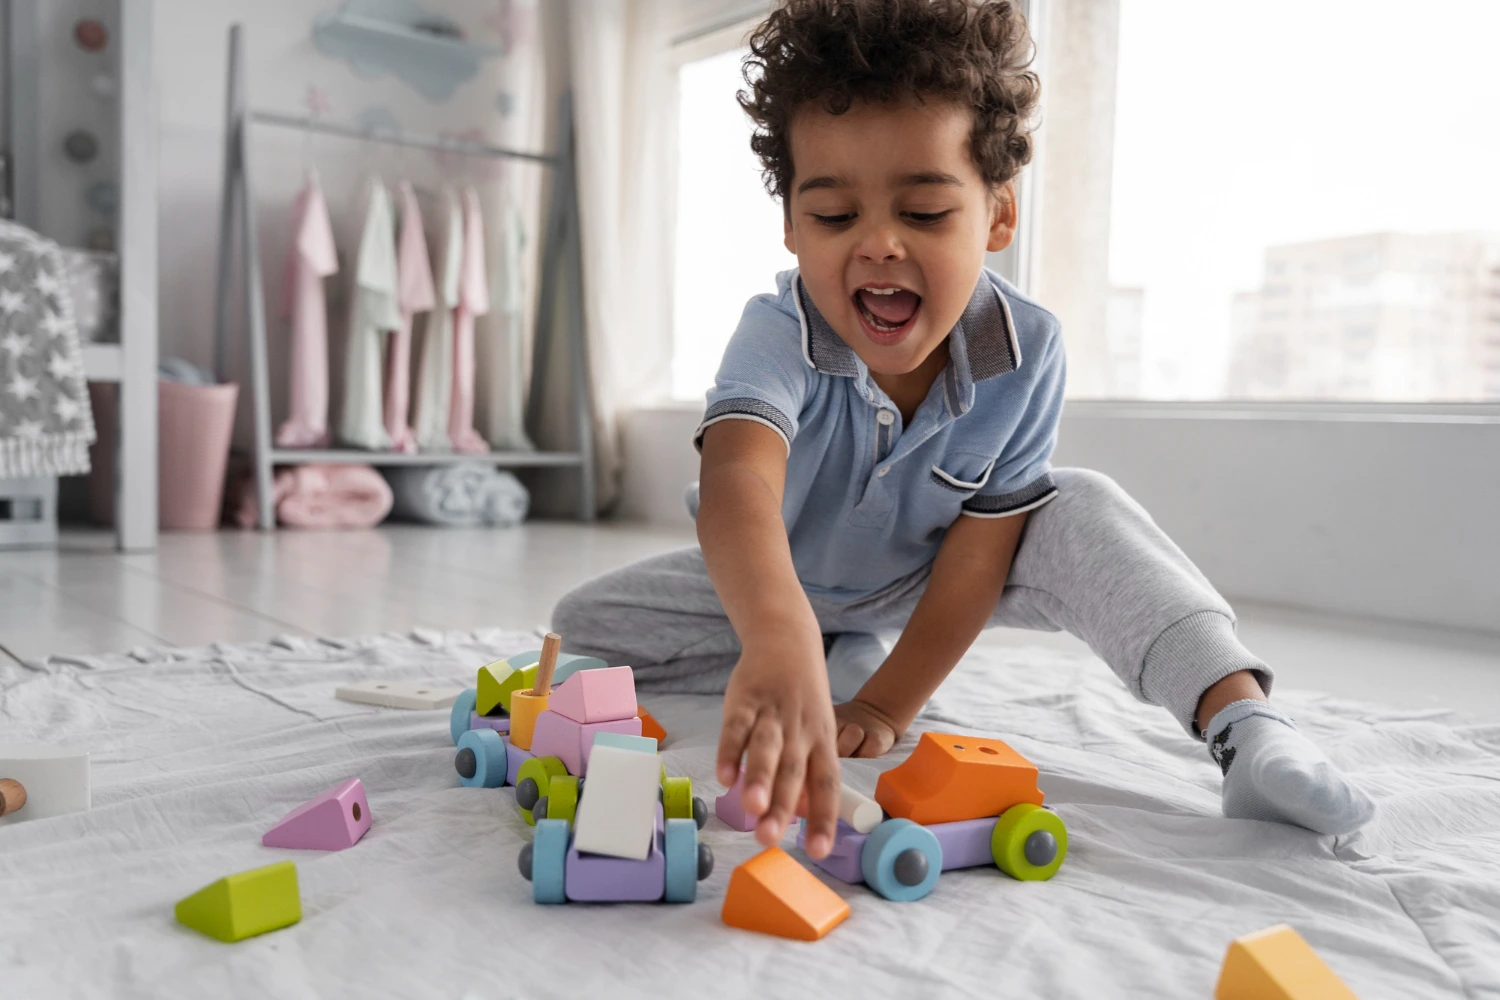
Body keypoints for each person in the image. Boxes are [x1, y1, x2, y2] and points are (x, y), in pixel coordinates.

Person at [553, 0, 1374, 860]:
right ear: (791, 225)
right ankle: (828, 645)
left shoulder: (1027, 349)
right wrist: (777, 629)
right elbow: (737, 480)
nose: (878, 243)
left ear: (997, 216)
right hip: (775, 576)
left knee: (1081, 505)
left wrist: (885, 706)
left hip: (927, 576)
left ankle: (1247, 729)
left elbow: (978, 559)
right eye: (834, 217)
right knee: (582, 626)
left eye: (924, 213)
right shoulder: (777, 330)